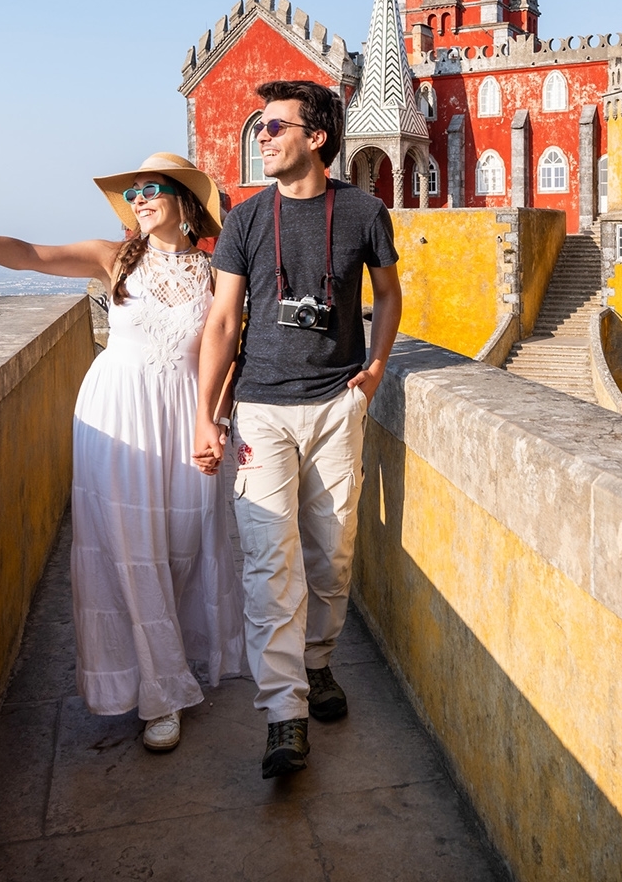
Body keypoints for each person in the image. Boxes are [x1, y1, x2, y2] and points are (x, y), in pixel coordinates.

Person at [0, 152, 242, 755]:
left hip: (186, 413)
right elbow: (27, 253)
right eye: (133, 192)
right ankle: (159, 694)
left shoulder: (218, 268)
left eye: (152, 189)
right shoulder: (113, 257)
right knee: (128, 550)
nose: (139, 199)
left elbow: (228, 345)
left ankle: (175, 659)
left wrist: (216, 419)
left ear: (184, 201)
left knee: (184, 542)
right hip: (117, 409)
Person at [194, 80, 403, 779]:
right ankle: (284, 713)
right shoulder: (248, 222)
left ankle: (317, 665)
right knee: (267, 559)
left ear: (316, 137)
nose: (262, 136)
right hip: (260, 407)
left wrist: (375, 367)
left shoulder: (366, 211)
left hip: (336, 403)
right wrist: (207, 414)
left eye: (275, 125)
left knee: (331, 551)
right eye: (259, 126)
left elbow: (389, 291)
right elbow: (222, 322)